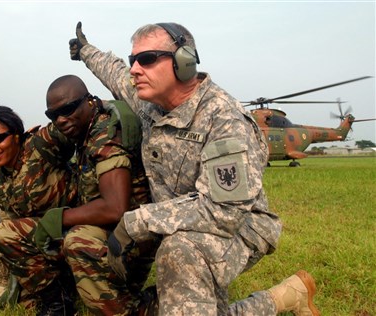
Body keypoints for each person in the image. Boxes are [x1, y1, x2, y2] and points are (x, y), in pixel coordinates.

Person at [68, 22, 320, 316]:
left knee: (180, 252)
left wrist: (138, 220)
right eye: (132, 60)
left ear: (183, 62)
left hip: (241, 226)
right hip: (178, 220)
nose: (135, 69)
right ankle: (287, 296)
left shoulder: (224, 119)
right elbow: (114, 73)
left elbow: (223, 212)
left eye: (147, 59)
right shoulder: (150, 104)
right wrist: (85, 51)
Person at [35, 74, 157, 315]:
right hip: (114, 233)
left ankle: (137, 308)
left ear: (89, 101)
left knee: (77, 239)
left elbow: (115, 208)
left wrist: (59, 219)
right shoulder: (85, 130)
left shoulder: (105, 136)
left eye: (68, 109)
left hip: (132, 238)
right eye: (53, 115)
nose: (61, 120)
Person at [0, 105, 77, 315]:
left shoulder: (40, 145)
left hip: (78, 225)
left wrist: (105, 107)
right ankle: (57, 302)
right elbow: (10, 226)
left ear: (16, 136)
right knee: (3, 233)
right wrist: (6, 280)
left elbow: (76, 118)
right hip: (44, 239)